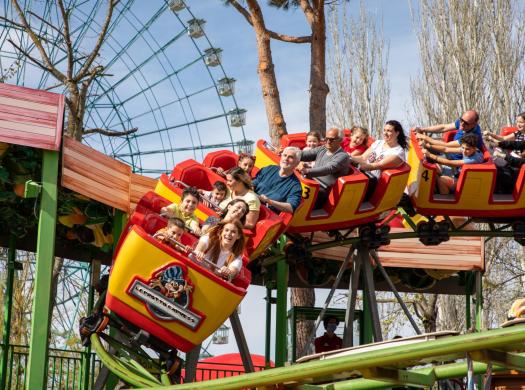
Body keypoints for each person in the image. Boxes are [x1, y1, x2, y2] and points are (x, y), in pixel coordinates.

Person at [351, 120, 408, 199]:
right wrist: (348, 157)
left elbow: (375, 166)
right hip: (363, 175)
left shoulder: (397, 152)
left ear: (397, 133)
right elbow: (363, 158)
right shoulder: (378, 143)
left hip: (374, 183)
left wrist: (354, 164)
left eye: (389, 131)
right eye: (384, 130)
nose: (385, 133)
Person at [298, 128, 350, 209]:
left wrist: (306, 171)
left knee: (299, 195)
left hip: (323, 189)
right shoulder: (322, 148)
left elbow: (328, 168)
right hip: (309, 181)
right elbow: (304, 154)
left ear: (340, 140)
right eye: (326, 139)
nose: (328, 141)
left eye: (332, 139)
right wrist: (288, 153)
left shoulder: (343, 156)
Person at [414, 109, 484, 160]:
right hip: (447, 151)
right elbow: (443, 127)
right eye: (461, 120)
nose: (462, 124)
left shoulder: (472, 137)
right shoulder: (463, 122)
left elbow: (446, 146)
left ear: (474, 124)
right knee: (419, 148)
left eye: (465, 123)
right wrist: (422, 129)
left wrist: (425, 139)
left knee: (427, 159)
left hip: (454, 159)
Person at [253, 146, 303, 214]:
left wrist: (269, 201)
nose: (286, 159)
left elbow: (291, 207)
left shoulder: (295, 186)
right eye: (285, 155)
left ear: (297, 163)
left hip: (267, 215)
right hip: (251, 203)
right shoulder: (268, 169)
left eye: (290, 157)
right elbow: (252, 184)